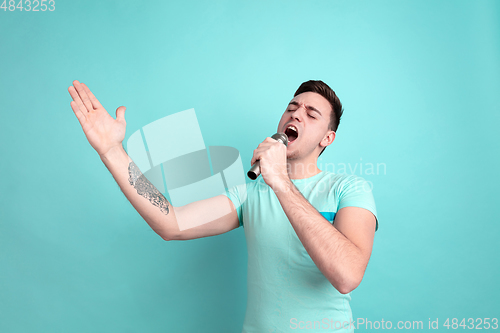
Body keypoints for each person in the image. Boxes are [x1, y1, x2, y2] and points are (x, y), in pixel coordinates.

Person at [68, 79, 378, 332]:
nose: (296, 115)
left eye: (311, 115)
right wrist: (112, 151)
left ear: (327, 138)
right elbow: (171, 223)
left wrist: (282, 182)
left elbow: (347, 275)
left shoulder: (349, 189)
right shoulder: (250, 194)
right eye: (291, 108)